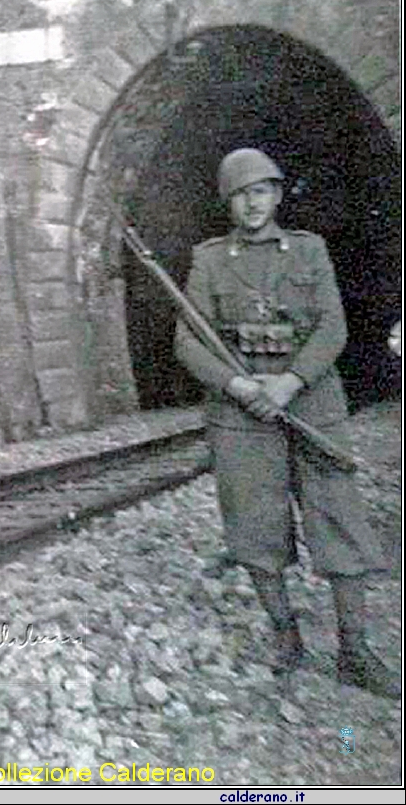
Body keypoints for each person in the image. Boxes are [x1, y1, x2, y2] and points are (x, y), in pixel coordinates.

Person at [175, 148, 399, 698]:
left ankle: (354, 650)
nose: (252, 203)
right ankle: (286, 637)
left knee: (339, 522)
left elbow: (333, 328)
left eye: (262, 192)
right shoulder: (208, 261)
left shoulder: (308, 250)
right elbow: (188, 341)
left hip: (311, 403)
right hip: (242, 416)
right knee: (254, 528)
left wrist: (289, 383)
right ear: (228, 202)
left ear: (276, 196)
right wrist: (242, 387)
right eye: (240, 194)